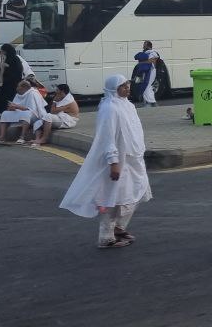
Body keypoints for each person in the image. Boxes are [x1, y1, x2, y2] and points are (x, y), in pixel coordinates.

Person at [59, 75, 152, 249]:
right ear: (113, 88)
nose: (127, 88)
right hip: (119, 160)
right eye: (122, 86)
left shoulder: (128, 105)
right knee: (113, 198)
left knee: (136, 192)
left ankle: (118, 228)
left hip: (133, 159)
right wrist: (113, 162)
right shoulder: (109, 108)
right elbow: (107, 137)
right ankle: (106, 237)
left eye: (127, 85)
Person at [0, 44, 25, 116]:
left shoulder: (15, 59)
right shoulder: (9, 58)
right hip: (7, 84)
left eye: (3, 51)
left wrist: (7, 66)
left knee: (10, 99)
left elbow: (16, 71)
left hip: (12, 84)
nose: (2, 52)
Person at [133, 41, 161, 106]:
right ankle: (151, 102)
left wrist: (141, 63)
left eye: (144, 45)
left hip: (151, 71)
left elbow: (152, 61)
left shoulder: (153, 53)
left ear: (148, 46)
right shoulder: (145, 53)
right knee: (146, 86)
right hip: (145, 71)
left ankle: (150, 102)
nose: (143, 46)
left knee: (147, 86)